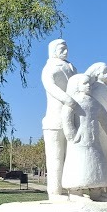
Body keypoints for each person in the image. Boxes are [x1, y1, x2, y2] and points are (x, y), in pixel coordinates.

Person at [61, 73, 107, 199]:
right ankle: (75, 191)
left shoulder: (94, 103)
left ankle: (96, 191)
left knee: (95, 162)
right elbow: (66, 116)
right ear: (77, 85)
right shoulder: (73, 101)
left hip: (93, 140)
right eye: (85, 83)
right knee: (78, 163)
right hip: (79, 141)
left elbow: (106, 121)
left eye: (89, 83)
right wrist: (71, 134)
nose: (88, 86)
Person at [41, 38, 78, 200]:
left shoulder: (72, 67)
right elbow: (50, 86)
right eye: (61, 47)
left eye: (66, 47)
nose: (65, 50)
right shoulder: (49, 67)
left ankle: (74, 189)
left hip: (73, 118)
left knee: (73, 156)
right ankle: (55, 192)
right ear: (53, 50)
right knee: (55, 157)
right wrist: (68, 99)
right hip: (54, 119)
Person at [83, 62, 107, 185]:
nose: (106, 74)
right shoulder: (94, 88)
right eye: (104, 72)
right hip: (98, 125)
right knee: (101, 153)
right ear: (97, 73)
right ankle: (100, 183)